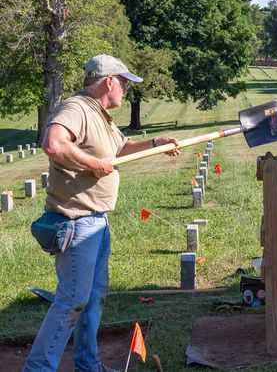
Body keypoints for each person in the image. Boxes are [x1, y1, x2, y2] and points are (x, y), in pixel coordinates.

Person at [24, 54, 180, 372]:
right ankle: (37, 368)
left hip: (96, 223)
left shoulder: (100, 115)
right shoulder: (77, 108)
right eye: (124, 83)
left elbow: (119, 148)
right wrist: (94, 164)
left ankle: (87, 364)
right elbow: (53, 144)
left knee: (92, 299)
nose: (125, 89)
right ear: (109, 81)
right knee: (71, 301)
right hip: (76, 222)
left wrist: (156, 143)